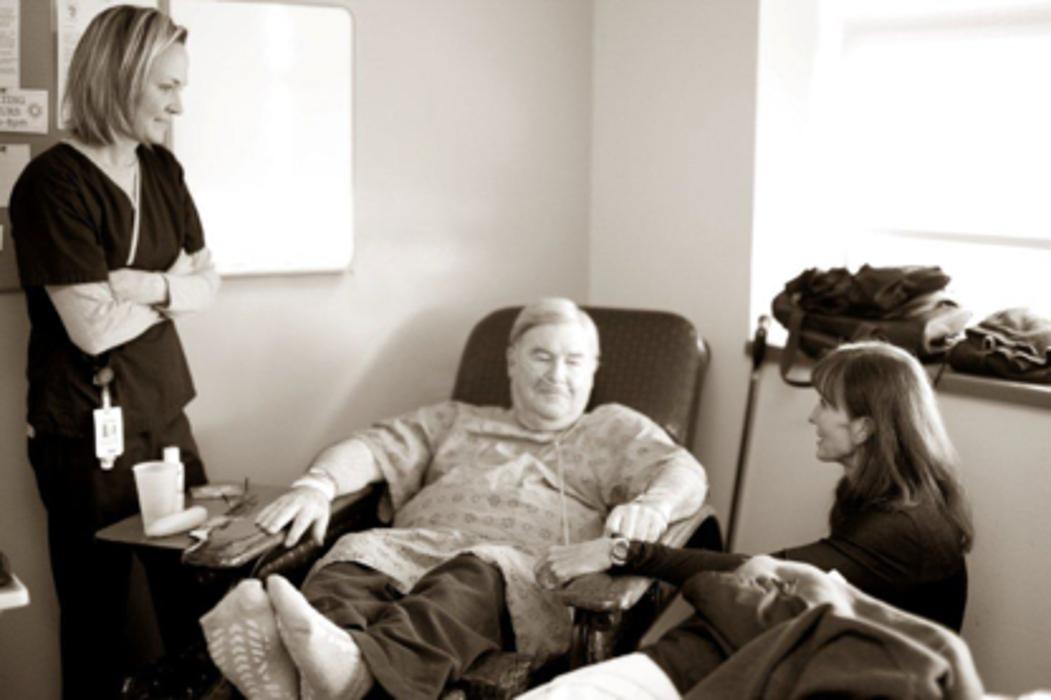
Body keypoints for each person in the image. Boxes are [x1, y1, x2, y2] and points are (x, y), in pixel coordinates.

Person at [199, 298, 709, 700]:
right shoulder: (457, 419)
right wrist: (318, 485)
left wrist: (655, 507)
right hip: (408, 550)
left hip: (514, 574)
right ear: (512, 360)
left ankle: (350, 675)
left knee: (469, 575)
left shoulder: (611, 428)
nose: (558, 373)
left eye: (574, 360)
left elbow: (680, 470)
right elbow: (372, 445)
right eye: (541, 356)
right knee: (353, 558)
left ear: (593, 369)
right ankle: (306, 675)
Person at [533, 340, 973, 695]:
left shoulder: (903, 529)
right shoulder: (879, 493)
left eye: (825, 404)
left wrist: (623, 552)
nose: (812, 416)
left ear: (863, 428)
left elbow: (767, 572)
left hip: (885, 679)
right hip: (844, 647)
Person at [9, 6, 219, 697]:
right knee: (102, 622)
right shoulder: (51, 184)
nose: (178, 105)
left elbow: (210, 284)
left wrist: (143, 285)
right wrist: (174, 291)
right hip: (83, 433)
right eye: (167, 87)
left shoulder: (162, 169)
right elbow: (92, 329)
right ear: (120, 79)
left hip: (165, 416)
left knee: (194, 607)